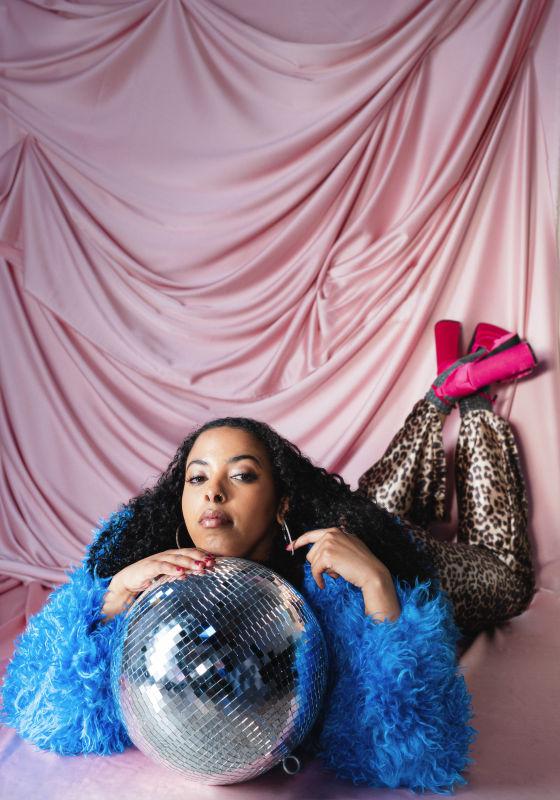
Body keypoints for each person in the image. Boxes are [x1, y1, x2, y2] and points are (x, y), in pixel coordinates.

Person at [0, 320, 538, 794]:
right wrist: (112, 597)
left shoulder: (333, 587)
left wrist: (379, 585)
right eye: (197, 477)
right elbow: (44, 712)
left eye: (241, 475)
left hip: (387, 551)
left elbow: (416, 752)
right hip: (350, 517)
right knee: (377, 499)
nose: (213, 493)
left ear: (281, 501)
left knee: (506, 582)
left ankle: (468, 403)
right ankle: (440, 393)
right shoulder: (140, 555)